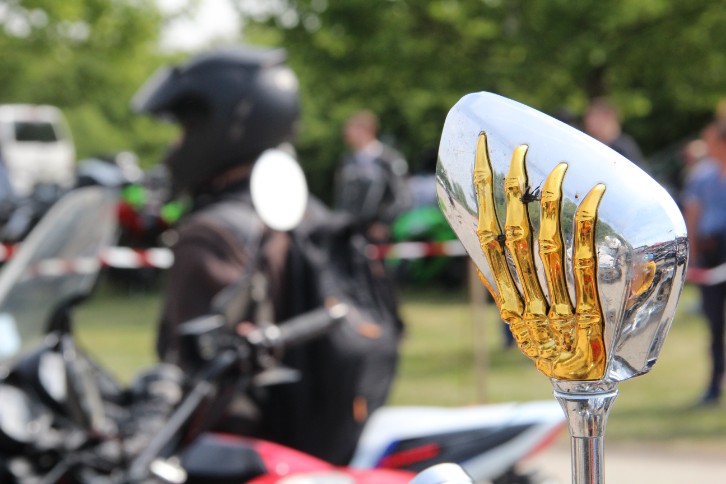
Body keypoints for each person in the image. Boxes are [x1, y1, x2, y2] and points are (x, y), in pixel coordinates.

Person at [132, 46, 402, 464]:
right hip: (309, 451)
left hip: (245, 457)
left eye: (184, 129)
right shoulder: (305, 212)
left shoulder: (212, 234)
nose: (174, 145)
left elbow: (196, 382)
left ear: (222, 128)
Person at [683, 103, 726, 407]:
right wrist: (692, 258)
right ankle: (714, 384)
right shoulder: (701, 176)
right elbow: (692, 217)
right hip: (712, 253)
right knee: (714, 323)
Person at [335, 110, 411, 243]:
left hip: (379, 235)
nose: (346, 134)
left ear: (366, 130)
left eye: (351, 130)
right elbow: (341, 197)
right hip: (350, 232)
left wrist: (385, 224)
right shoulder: (347, 161)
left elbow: (402, 197)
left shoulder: (388, 159)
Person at [583, 97, 648, 170]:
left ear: (607, 117)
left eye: (592, 118)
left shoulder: (621, 148)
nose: (587, 124)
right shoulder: (623, 144)